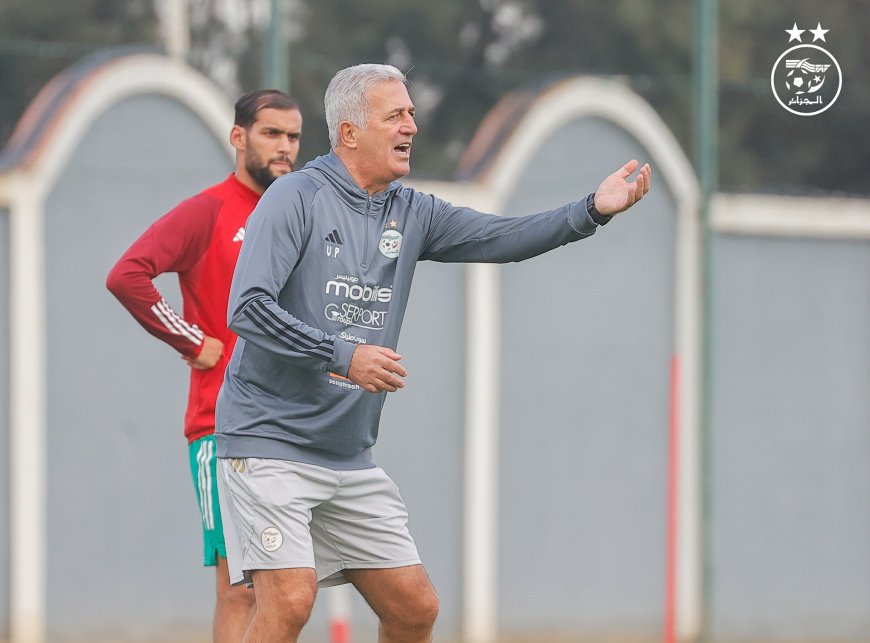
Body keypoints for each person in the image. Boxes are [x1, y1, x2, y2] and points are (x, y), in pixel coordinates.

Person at [215, 63, 651, 643]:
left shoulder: (411, 210)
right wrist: (343, 355)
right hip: (268, 442)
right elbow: (247, 308)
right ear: (349, 132)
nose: (411, 127)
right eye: (394, 115)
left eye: (412, 114)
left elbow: (500, 236)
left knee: (414, 608)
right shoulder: (297, 197)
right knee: (291, 600)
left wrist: (590, 210)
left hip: (345, 455)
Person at [106, 89, 303, 643]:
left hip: (291, 427)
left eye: (292, 137)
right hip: (223, 424)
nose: (284, 147)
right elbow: (129, 275)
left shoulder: (300, 212)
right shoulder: (209, 210)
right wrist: (193, 341)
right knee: (240, 585)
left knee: (287, 584)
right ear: (238, 137)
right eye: (271, 134)